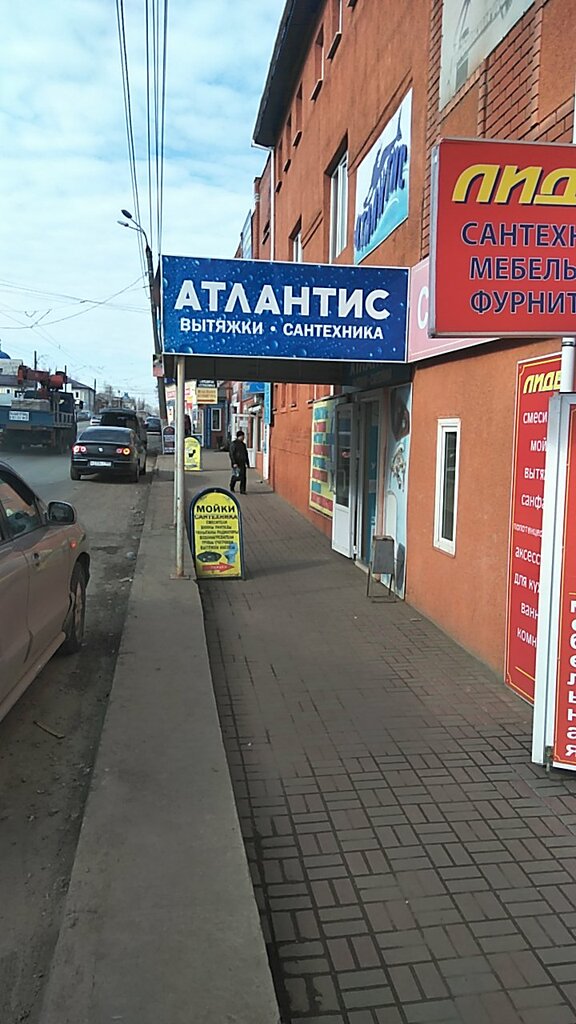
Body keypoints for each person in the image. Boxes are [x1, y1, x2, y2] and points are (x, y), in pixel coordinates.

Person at [229, 429, 249, 494]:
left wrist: (247, 463)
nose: (243, 438)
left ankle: (242, 490)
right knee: (236, 476)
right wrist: (234, 462)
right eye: (242, 436)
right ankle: (232, 485)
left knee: (243, 477)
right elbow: (231, 454)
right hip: (236, 463)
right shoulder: (234, 444)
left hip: (242, 463)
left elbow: (246, 454)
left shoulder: (243, 445)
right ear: (239, 436)